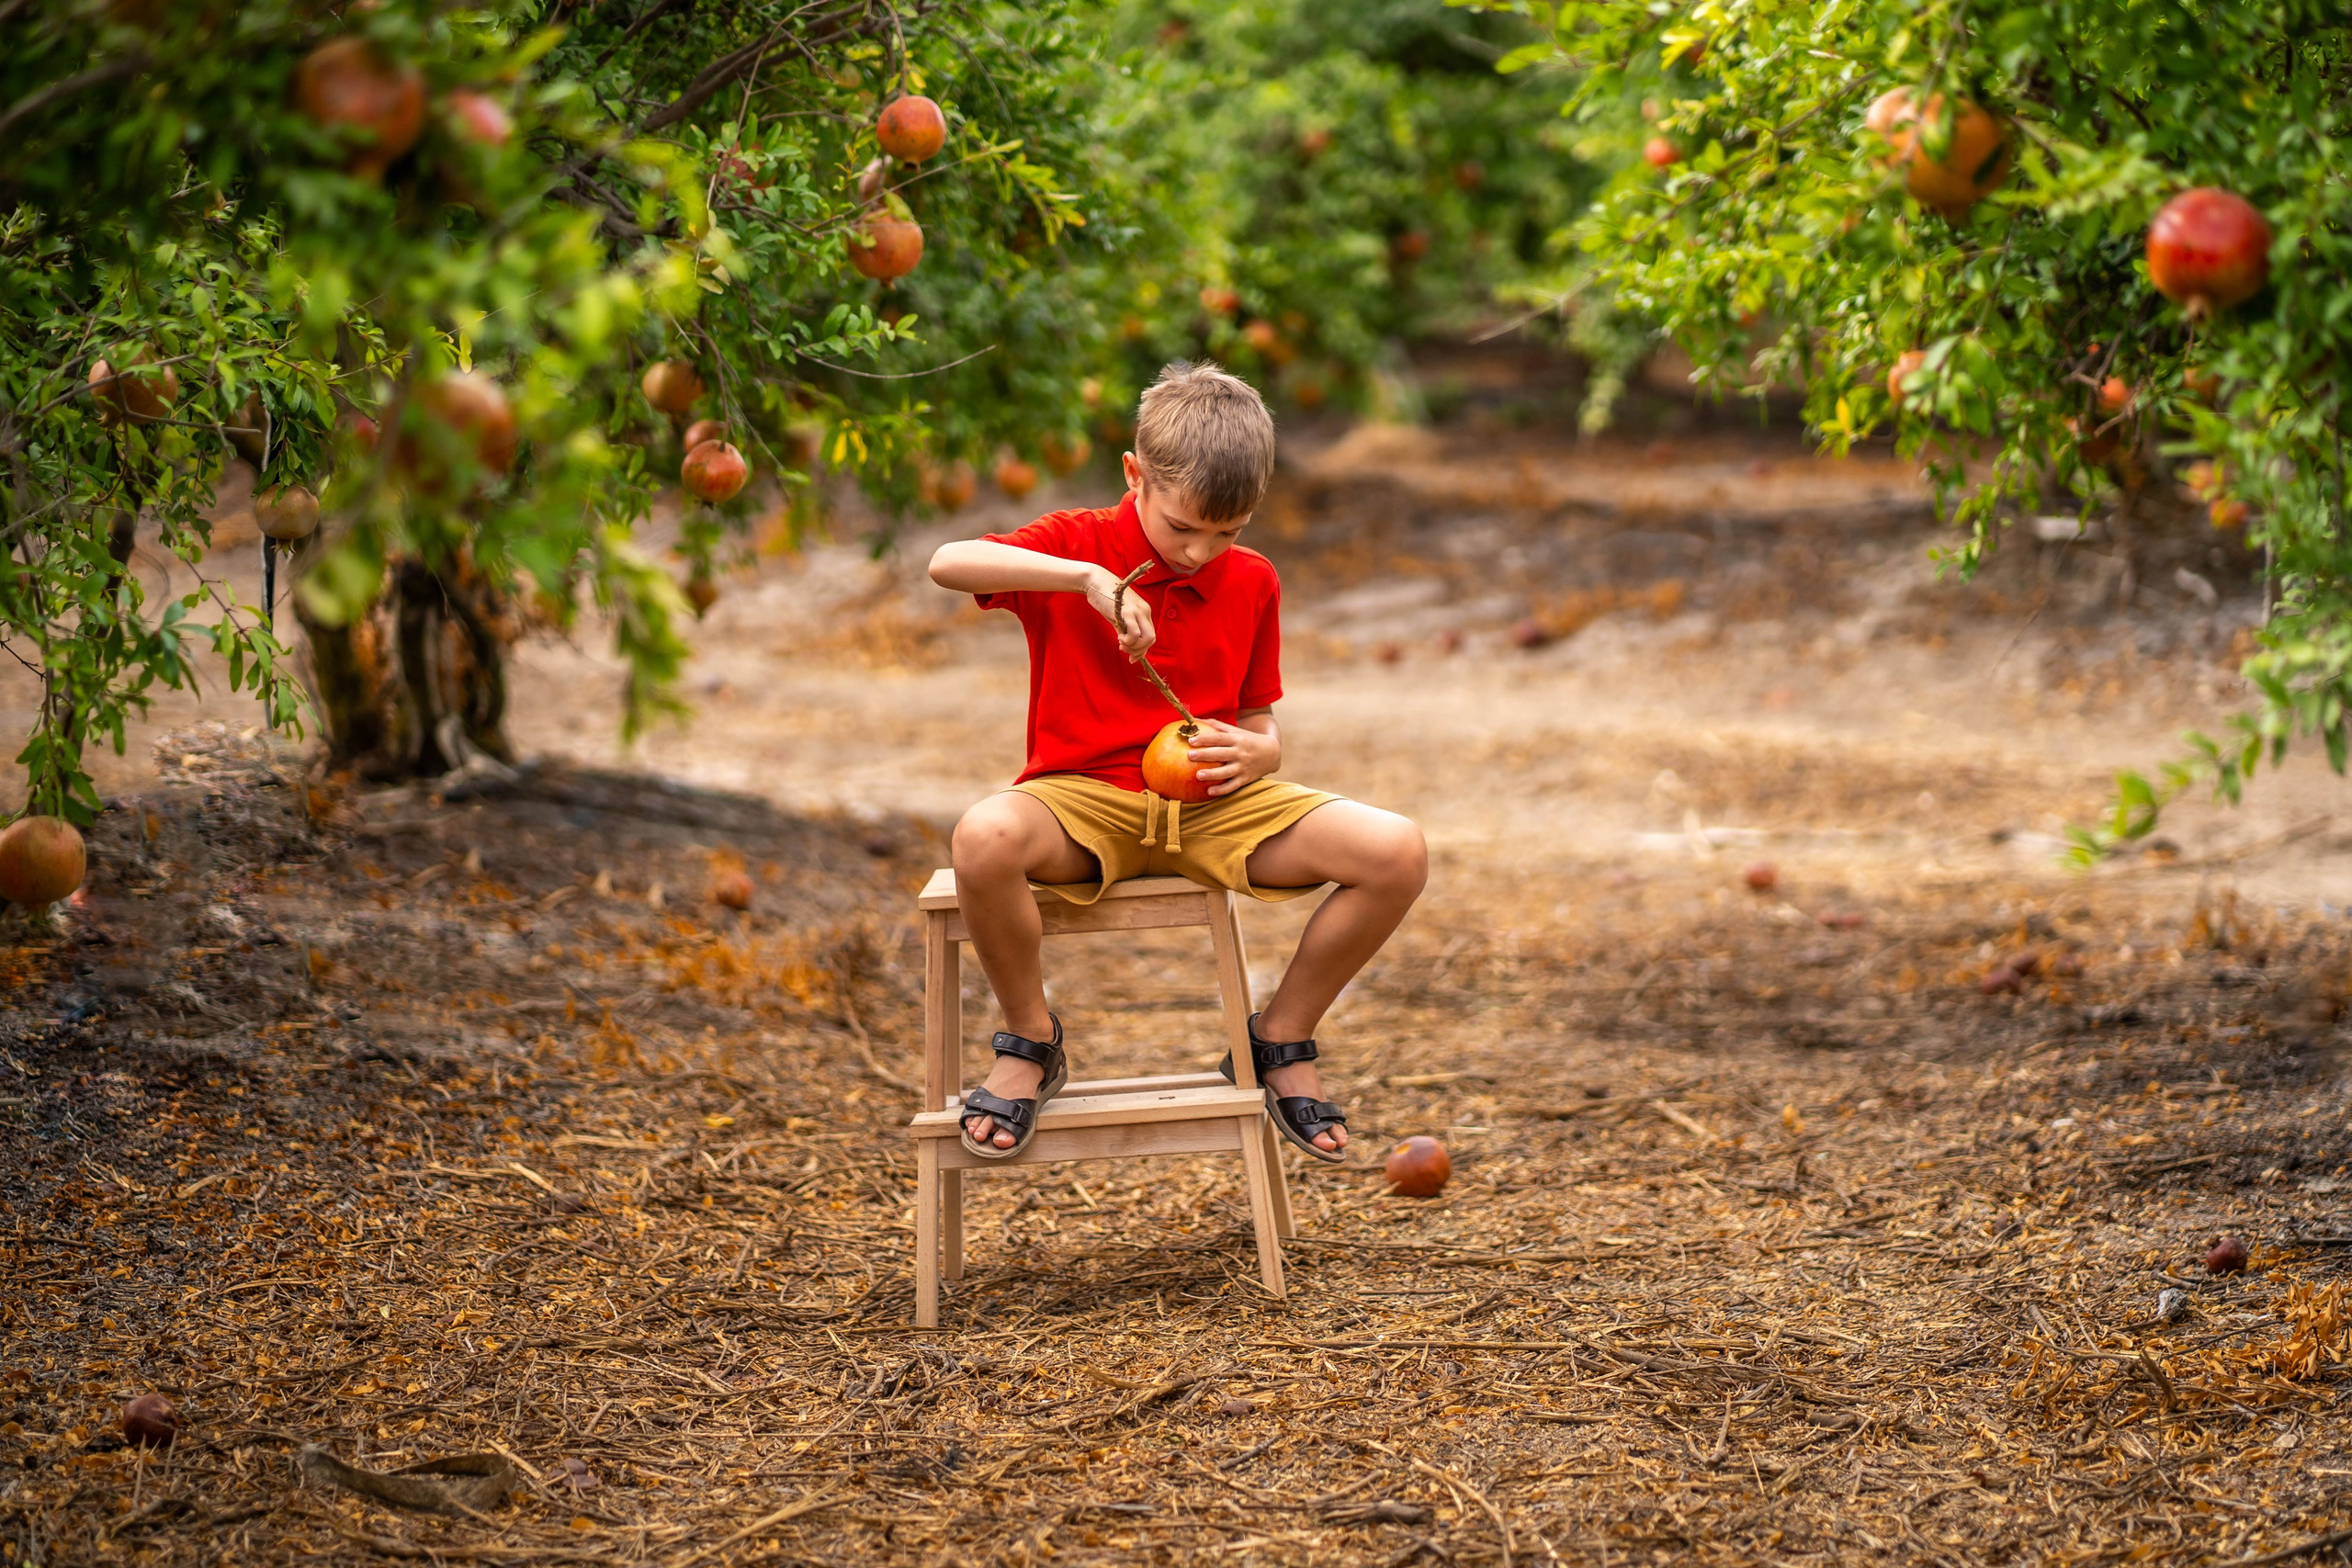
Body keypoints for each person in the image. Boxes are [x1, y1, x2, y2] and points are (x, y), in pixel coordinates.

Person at [927, 362, 1427, 1165]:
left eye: (1228, 532)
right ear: (1135, 474)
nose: (1201, 552)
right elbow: (948, 561)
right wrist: (1084, 580)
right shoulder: (1077, 547)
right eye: (1183, 526)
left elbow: (1260, 720)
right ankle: (1031, 1038)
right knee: (983, 837)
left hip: (1212, 806)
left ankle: (1279, 1037)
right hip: (1084, 800)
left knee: (1396, 851)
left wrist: (1260, 751)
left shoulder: (1253, 580)